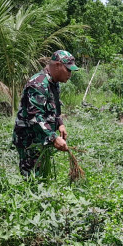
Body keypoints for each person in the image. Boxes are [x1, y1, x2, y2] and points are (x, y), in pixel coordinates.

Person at [13, 49, 80, 177]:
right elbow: (35, 117)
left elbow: (54, 107)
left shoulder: (54, 83)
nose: (70, 74)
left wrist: (60, 123)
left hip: (41, 138)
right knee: (32, 179)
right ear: (57, 65)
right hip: (29, 140)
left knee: (42, 177)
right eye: (68, 70)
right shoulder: (38, 84)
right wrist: (53, 138)